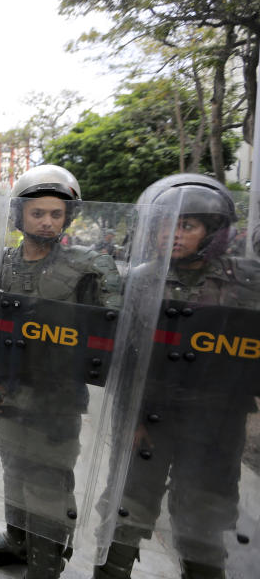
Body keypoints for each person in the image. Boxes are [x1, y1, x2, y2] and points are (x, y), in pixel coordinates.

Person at [94, 175, 260, 579]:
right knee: (126, 506)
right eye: (165, 224)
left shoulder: (244, 285)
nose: (173, 235)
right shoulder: (141, 280)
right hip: (151, 417)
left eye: (187, 225)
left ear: (213, 232)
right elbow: (128, 358)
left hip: (215, 423)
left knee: (204, 514)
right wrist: (131, 416)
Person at [0, 165, 123, 579]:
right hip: (9, 388)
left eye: (56, 214)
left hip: (57, 396)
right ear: (19, 216)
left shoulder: (88, 268)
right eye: (37, 212)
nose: (46, 221)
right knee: (14, 465)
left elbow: (109, 330)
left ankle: (45, 563)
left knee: (49, 479)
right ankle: (19, 539)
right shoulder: (1, 263)